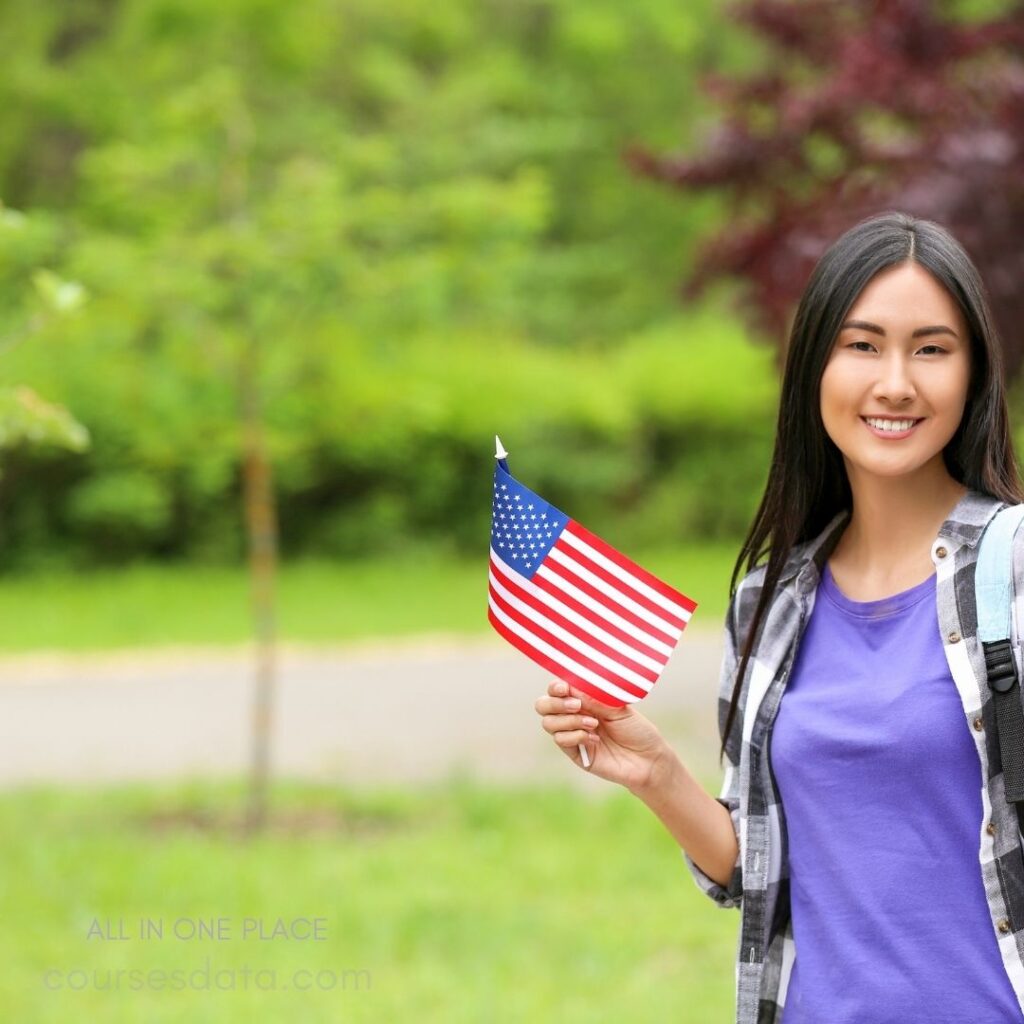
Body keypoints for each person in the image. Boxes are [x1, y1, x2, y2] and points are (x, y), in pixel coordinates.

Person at [534, 210, 1024, 1024]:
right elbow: (755, 870)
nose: (895, 381)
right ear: (814, 371)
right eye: (862, 345)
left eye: (931, 349)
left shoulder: (1012, 572)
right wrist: (654, 773)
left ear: (972, 375)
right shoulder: (770, 601)